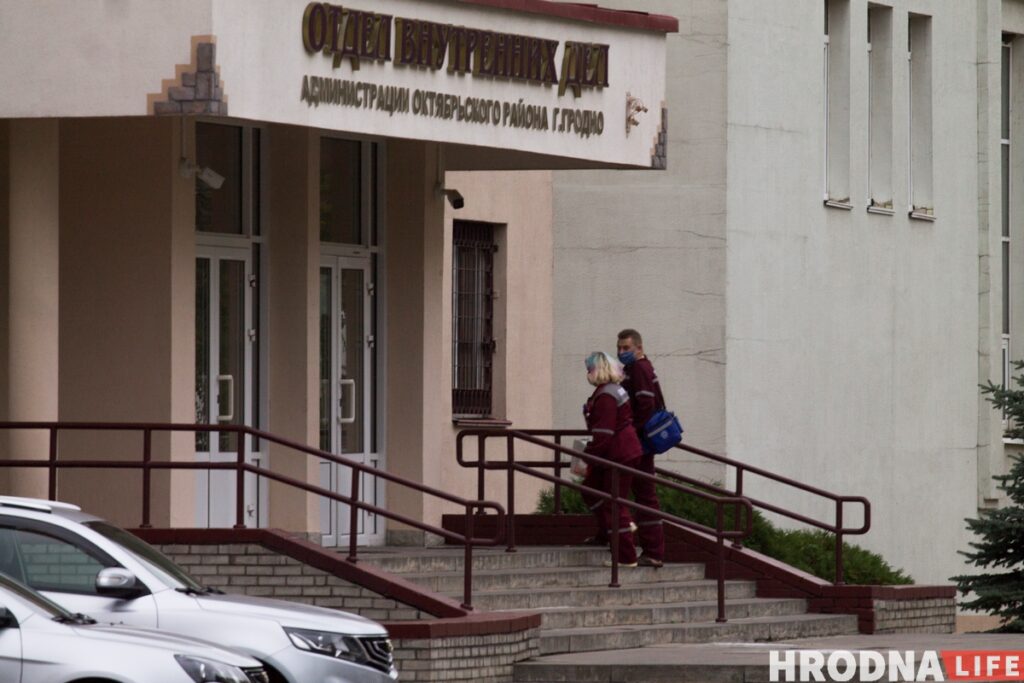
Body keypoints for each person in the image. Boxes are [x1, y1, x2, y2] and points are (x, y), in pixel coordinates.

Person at [579, 351, 642, 567]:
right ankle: (611, 531)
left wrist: (587, 456)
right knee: (591, 489)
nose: (587, 373)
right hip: (622, 451)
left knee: (614, 505)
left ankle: (626, 557)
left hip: (618, 454)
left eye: (589, 369)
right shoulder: (613, 390)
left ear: (597, 370)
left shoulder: (606, 396)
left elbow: (604, 433)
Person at [617, 328, 666, 568]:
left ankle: (653, 551)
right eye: (619, 348)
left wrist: (632, 433)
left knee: (644, 495)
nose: (621, 352)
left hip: (641, 443)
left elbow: (645, 404)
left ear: (639, 348)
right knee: (638, 493)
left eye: (626, 348)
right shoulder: (636, 368)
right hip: (641, 442)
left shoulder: (639, 368)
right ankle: (646, 547)